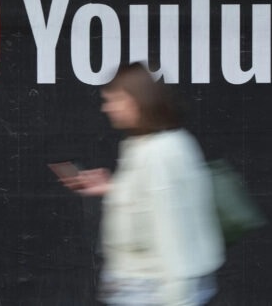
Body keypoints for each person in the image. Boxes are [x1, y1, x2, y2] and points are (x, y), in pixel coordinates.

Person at [61, 63, 224, 306]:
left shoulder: (157, 153)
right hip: (140, 286)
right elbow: (152, 202)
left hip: (152, 289)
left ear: (135, 100)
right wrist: (112, 188)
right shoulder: (152, 145)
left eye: (114, 99)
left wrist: (177, 298)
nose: (107, 108)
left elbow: (171, 228)